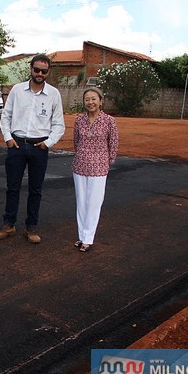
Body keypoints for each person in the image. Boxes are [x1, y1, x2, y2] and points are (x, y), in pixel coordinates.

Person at [0, 54, 65, 244]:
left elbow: (59, 125)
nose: (40, 73)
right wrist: (8, 139)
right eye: (37, 69)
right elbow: (5, 117)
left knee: (36, 189)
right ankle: (8, 225)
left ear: (48, 72)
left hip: (39, 147)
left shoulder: (53, 95)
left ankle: (31, 227)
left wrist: (47, 143)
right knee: (13, 188)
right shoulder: (17, 90)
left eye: (44, 71)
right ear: (30, 68)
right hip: (16, 145)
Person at [72, 87, 119, 252]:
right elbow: (76, 141)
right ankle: (81, 236)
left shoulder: (109, 121)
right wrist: (83, 156)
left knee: (93, 203)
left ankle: (88, 238)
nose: (90, 102)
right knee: (81, 203)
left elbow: (113, 143)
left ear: (101, 101)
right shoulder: (79, 120)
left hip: (99, 167)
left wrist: (107, 161)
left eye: (93, 99)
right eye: (87, 99)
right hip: (80, 165)